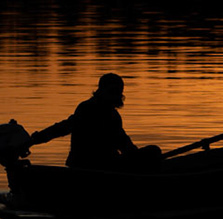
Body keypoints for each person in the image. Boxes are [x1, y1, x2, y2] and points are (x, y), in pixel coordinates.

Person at [31, 73, 162, 170]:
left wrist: (138, 157)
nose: (116, 95)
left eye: (118, 92)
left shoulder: (107, 112)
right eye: (112, 92)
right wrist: (34, 140)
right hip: (97, 165)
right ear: (102, 91)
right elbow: (62, 128)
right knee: (153, 151)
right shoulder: (89, 109)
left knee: (152, 152)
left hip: (97, 164)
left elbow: (124, 144)